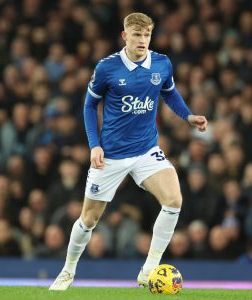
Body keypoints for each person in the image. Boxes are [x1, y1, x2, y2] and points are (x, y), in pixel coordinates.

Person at [49, 12, 207, 291]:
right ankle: (67, 271)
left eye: (146, 35)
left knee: (173, 200)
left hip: (146, 151)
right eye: (137, 35)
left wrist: (188, 116)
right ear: (125, 36)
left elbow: (168, 92)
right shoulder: (107, 68)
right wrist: (94, 145)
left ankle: (149, 269)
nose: (142, 40)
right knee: (89, 219)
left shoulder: (162, 63)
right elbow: (89, 106)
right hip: (110, 155)